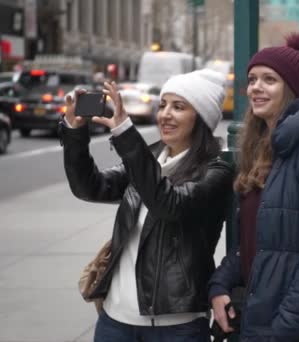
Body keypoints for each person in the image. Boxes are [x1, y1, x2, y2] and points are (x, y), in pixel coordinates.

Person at [60, 69, 234, 342]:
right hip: (115, 322)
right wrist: (74, 133)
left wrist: (124, 132)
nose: (165, 115)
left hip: (177, 326)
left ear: (200, 118)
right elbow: (90, 186)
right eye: (163, 105)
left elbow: (169, 204)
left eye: (179, 107)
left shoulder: (216, 170)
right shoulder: (150, 157)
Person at [208, 33, 299, 341]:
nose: (256, 88)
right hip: (263, 319)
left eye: (269, 80)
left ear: (290, 89)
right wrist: (220, 284)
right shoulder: (264, 149)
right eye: (252, 79)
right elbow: (254, 242)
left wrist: (283, 330)